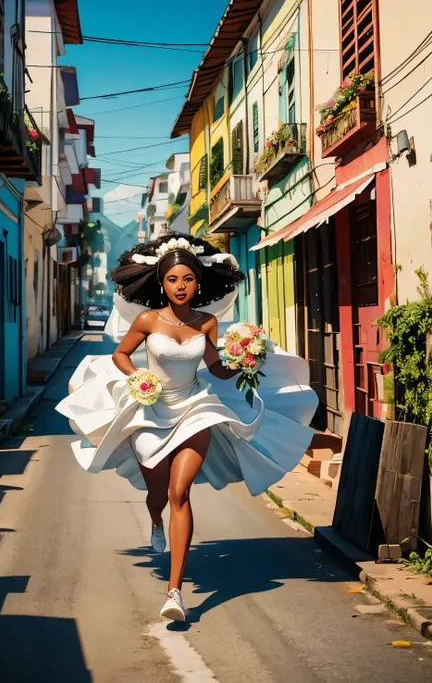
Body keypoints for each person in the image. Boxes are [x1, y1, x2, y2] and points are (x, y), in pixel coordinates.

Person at [56, 233, 318, 622]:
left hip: (195, 407)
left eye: (188, 279)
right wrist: (135, 380)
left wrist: (245, 362)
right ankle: (155, 519)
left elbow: (215, 368)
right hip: (151, 410)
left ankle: (174, 592)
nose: (181, 287)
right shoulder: (147, 320)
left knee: (181, 492)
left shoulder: (208, 322)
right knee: (158, 493)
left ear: (199, 282)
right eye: (173, 280)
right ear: (162, 284)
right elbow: (121, 354)